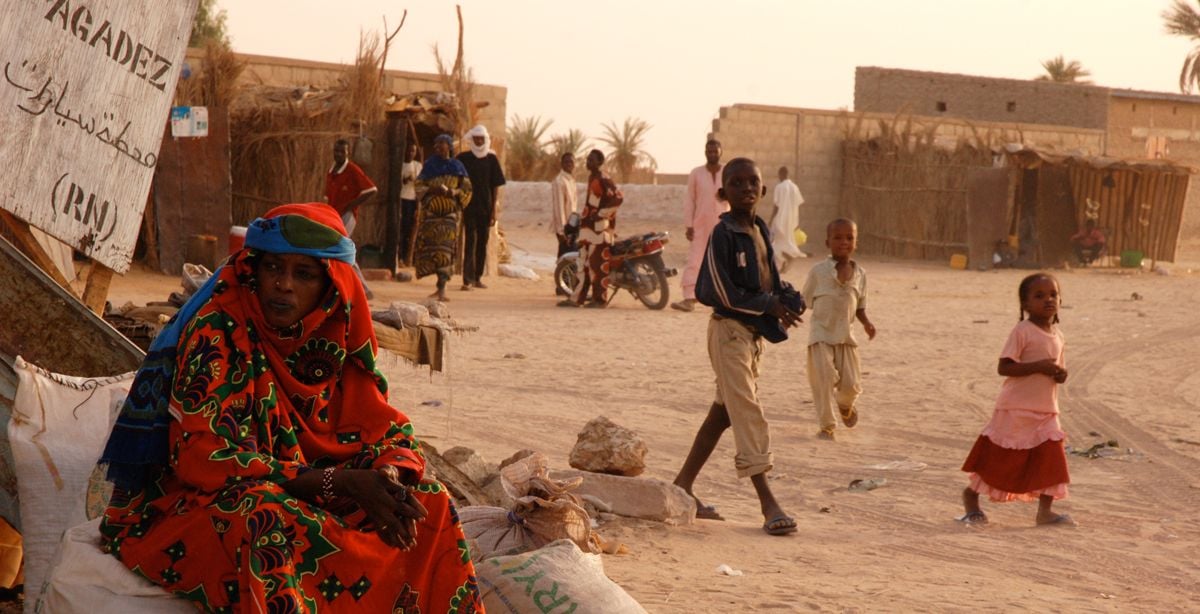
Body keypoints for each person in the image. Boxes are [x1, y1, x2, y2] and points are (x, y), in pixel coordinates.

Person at [97, 203, 483, 612]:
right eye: (273, 269)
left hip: (308, 491)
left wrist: (385, 476)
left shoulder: (338, 336)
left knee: (430, 500)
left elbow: (382, 429)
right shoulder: (218, 331)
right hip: (194, 508)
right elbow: (201, 459)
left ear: (330, 285)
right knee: (265, 514)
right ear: (253, 270)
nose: (284, 285)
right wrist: (340, 482)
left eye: (304, 274)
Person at [672, 157, 803, 537]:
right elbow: (721, 291)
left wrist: (787, 299)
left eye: (753, 182)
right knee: (746, 409)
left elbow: (771, 281)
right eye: (737, 183)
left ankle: (682, 484)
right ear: (722, 192)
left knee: (724, 412)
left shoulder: (760, 229)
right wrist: (768, 304)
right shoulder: (723, 233)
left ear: (763, 190)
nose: (746, 188)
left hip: (751, 337)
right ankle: (768, 502)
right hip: (728, 334)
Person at [960, 272, 1073, 526]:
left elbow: (1055, 372)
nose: (1048, 300)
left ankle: (1045, 512)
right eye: (1039, 296)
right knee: (1000, 459)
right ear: (1025, 304)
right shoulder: (1022, 331)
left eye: (1053, 295)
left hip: (1046, 409)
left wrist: (1059, 374)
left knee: (1050, 459)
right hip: (1015, 407)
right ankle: (971, 497)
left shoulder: (1058, 335)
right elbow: (1005, 367)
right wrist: (1038, 366)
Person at [803, 218, 877, 441]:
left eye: (849, 238)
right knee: (824, 377)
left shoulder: (860, 274)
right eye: (837, 238)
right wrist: (786, 318)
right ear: (827, 242)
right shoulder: (818, 272)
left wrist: (866, 323)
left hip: (846, 337)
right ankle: (827, 426)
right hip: (821, 335)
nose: (844, 242)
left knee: (851, 386)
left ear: (856, 242)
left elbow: (860, 306)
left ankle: (845, 406)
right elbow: (803, 300)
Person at [560, 149, 622, 308]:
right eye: (587, 160)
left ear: (599, 162)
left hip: (600, 231)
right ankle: (576, 298)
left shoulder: (604, 178)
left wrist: (600, 214)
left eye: (591, 160)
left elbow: (617, 199)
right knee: (583, 265)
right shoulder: (592, 177)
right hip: (588, 230)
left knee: (597, 266)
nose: (588, 163)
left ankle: (599, 300)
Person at [671, 138, 728, 312]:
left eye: (715, 151)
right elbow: (690, 199)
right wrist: (689, 224)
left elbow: (734, 192)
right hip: (701, 224)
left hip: (723, 223)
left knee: (723, 261)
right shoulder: (696, 173)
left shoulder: (727, 171)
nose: (712, 154)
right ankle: (689, 298)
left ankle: (725, 300)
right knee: (695, 260)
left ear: (720, 152)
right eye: (709, 151)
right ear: (705, 152)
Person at [414, 134, 473, 302]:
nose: (438, 147)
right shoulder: (429, 165)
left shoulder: (458, 167)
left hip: (449, 218)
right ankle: (438, 287)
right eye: (436, 144)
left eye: (441, 144)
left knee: (446, 251)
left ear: (449, 146)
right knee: (432, 251)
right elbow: (418, 186)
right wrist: (433, 190)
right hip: (431, 219)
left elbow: (467, 190)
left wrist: (452, 192)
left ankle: (443, 287)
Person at [325, 138, 379, 298]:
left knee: (341, 247)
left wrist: (351, 205)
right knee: (339, 249)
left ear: (348, 152)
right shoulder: (332, 170)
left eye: (342, 151)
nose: (339, 154)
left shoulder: (352, 169)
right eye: (336, 151)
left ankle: (364, 289)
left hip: (347, 216)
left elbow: (372, 189)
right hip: (334, 215)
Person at [456, 124, 506, 291]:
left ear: (485, 140)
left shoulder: (491, 159)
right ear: (472, 139)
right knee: (470, 241)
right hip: (468, 205)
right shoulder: (463, 158)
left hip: (485, 206)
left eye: (481, 138)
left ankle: (477, 277)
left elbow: (495, 186)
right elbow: (457, 181)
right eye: (476, 138)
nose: (478, 141)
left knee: (482, 242)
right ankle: (467, 279)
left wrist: (493, 211)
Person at [550, 152, 578, 296]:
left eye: (571, 162)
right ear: (562, 164)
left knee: (567, 254)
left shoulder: (571, 181)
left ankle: (563, 286)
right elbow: (559, 207)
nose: (569, 165)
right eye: (566, 162)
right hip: (564, 227)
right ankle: (563, 286)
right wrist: (561, 232)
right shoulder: (559, 181)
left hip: (572, 225)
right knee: (566, 254)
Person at [768, 166, 806, 272]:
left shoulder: (779, 187)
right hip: (791, 221)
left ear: (781, 174)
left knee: (773, 242)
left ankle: (785, 258)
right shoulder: (795, 187)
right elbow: (799, 204)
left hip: (780, 219)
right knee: (785, 242)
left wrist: (771, 219)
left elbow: (776, 205)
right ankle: (785, 259)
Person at [398, 141, 422, 266]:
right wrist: (406, 179)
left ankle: (408, 257)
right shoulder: (400, 165)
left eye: (413, 151)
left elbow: (422, 185)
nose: (410, 153)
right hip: (402, 199)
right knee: (401, 228)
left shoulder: (417, 166)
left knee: (409, 229)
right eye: (409, 150)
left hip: (413, 200)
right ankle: (399, 257)